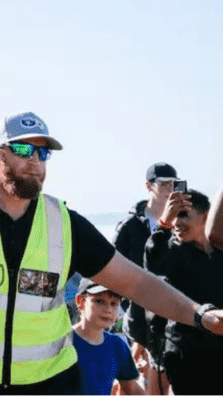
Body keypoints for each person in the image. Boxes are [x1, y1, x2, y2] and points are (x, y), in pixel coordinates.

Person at [0, 110, 223, 395]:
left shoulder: (64, 224)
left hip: (52, 384)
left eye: (44, 153)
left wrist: (199, 313)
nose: (36, 162)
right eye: (24, 150)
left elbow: (136, 282)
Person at [144, 188, 223, 395]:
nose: (177, 222)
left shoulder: (219, 255)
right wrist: (164, 222)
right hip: (184, 357)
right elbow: (153, 262)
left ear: (205, 217)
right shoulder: (173, 251)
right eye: (174, 216)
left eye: (183, 215)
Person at [113, 162, 179, 394]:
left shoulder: (182, 224)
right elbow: (112, 267)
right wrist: (127, 304)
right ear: (148, 186)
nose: (170, 188)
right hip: (140, 318)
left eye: (174, 183)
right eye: (163, 183)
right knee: (140, 379)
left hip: (174, 314)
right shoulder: (130, 226)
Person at [70, 279, 142, 395]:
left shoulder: (117, 346)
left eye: (114, 303)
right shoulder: (63, 342)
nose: (108, 309)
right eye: (99, 301)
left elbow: (132, 389)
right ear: (81, 301)